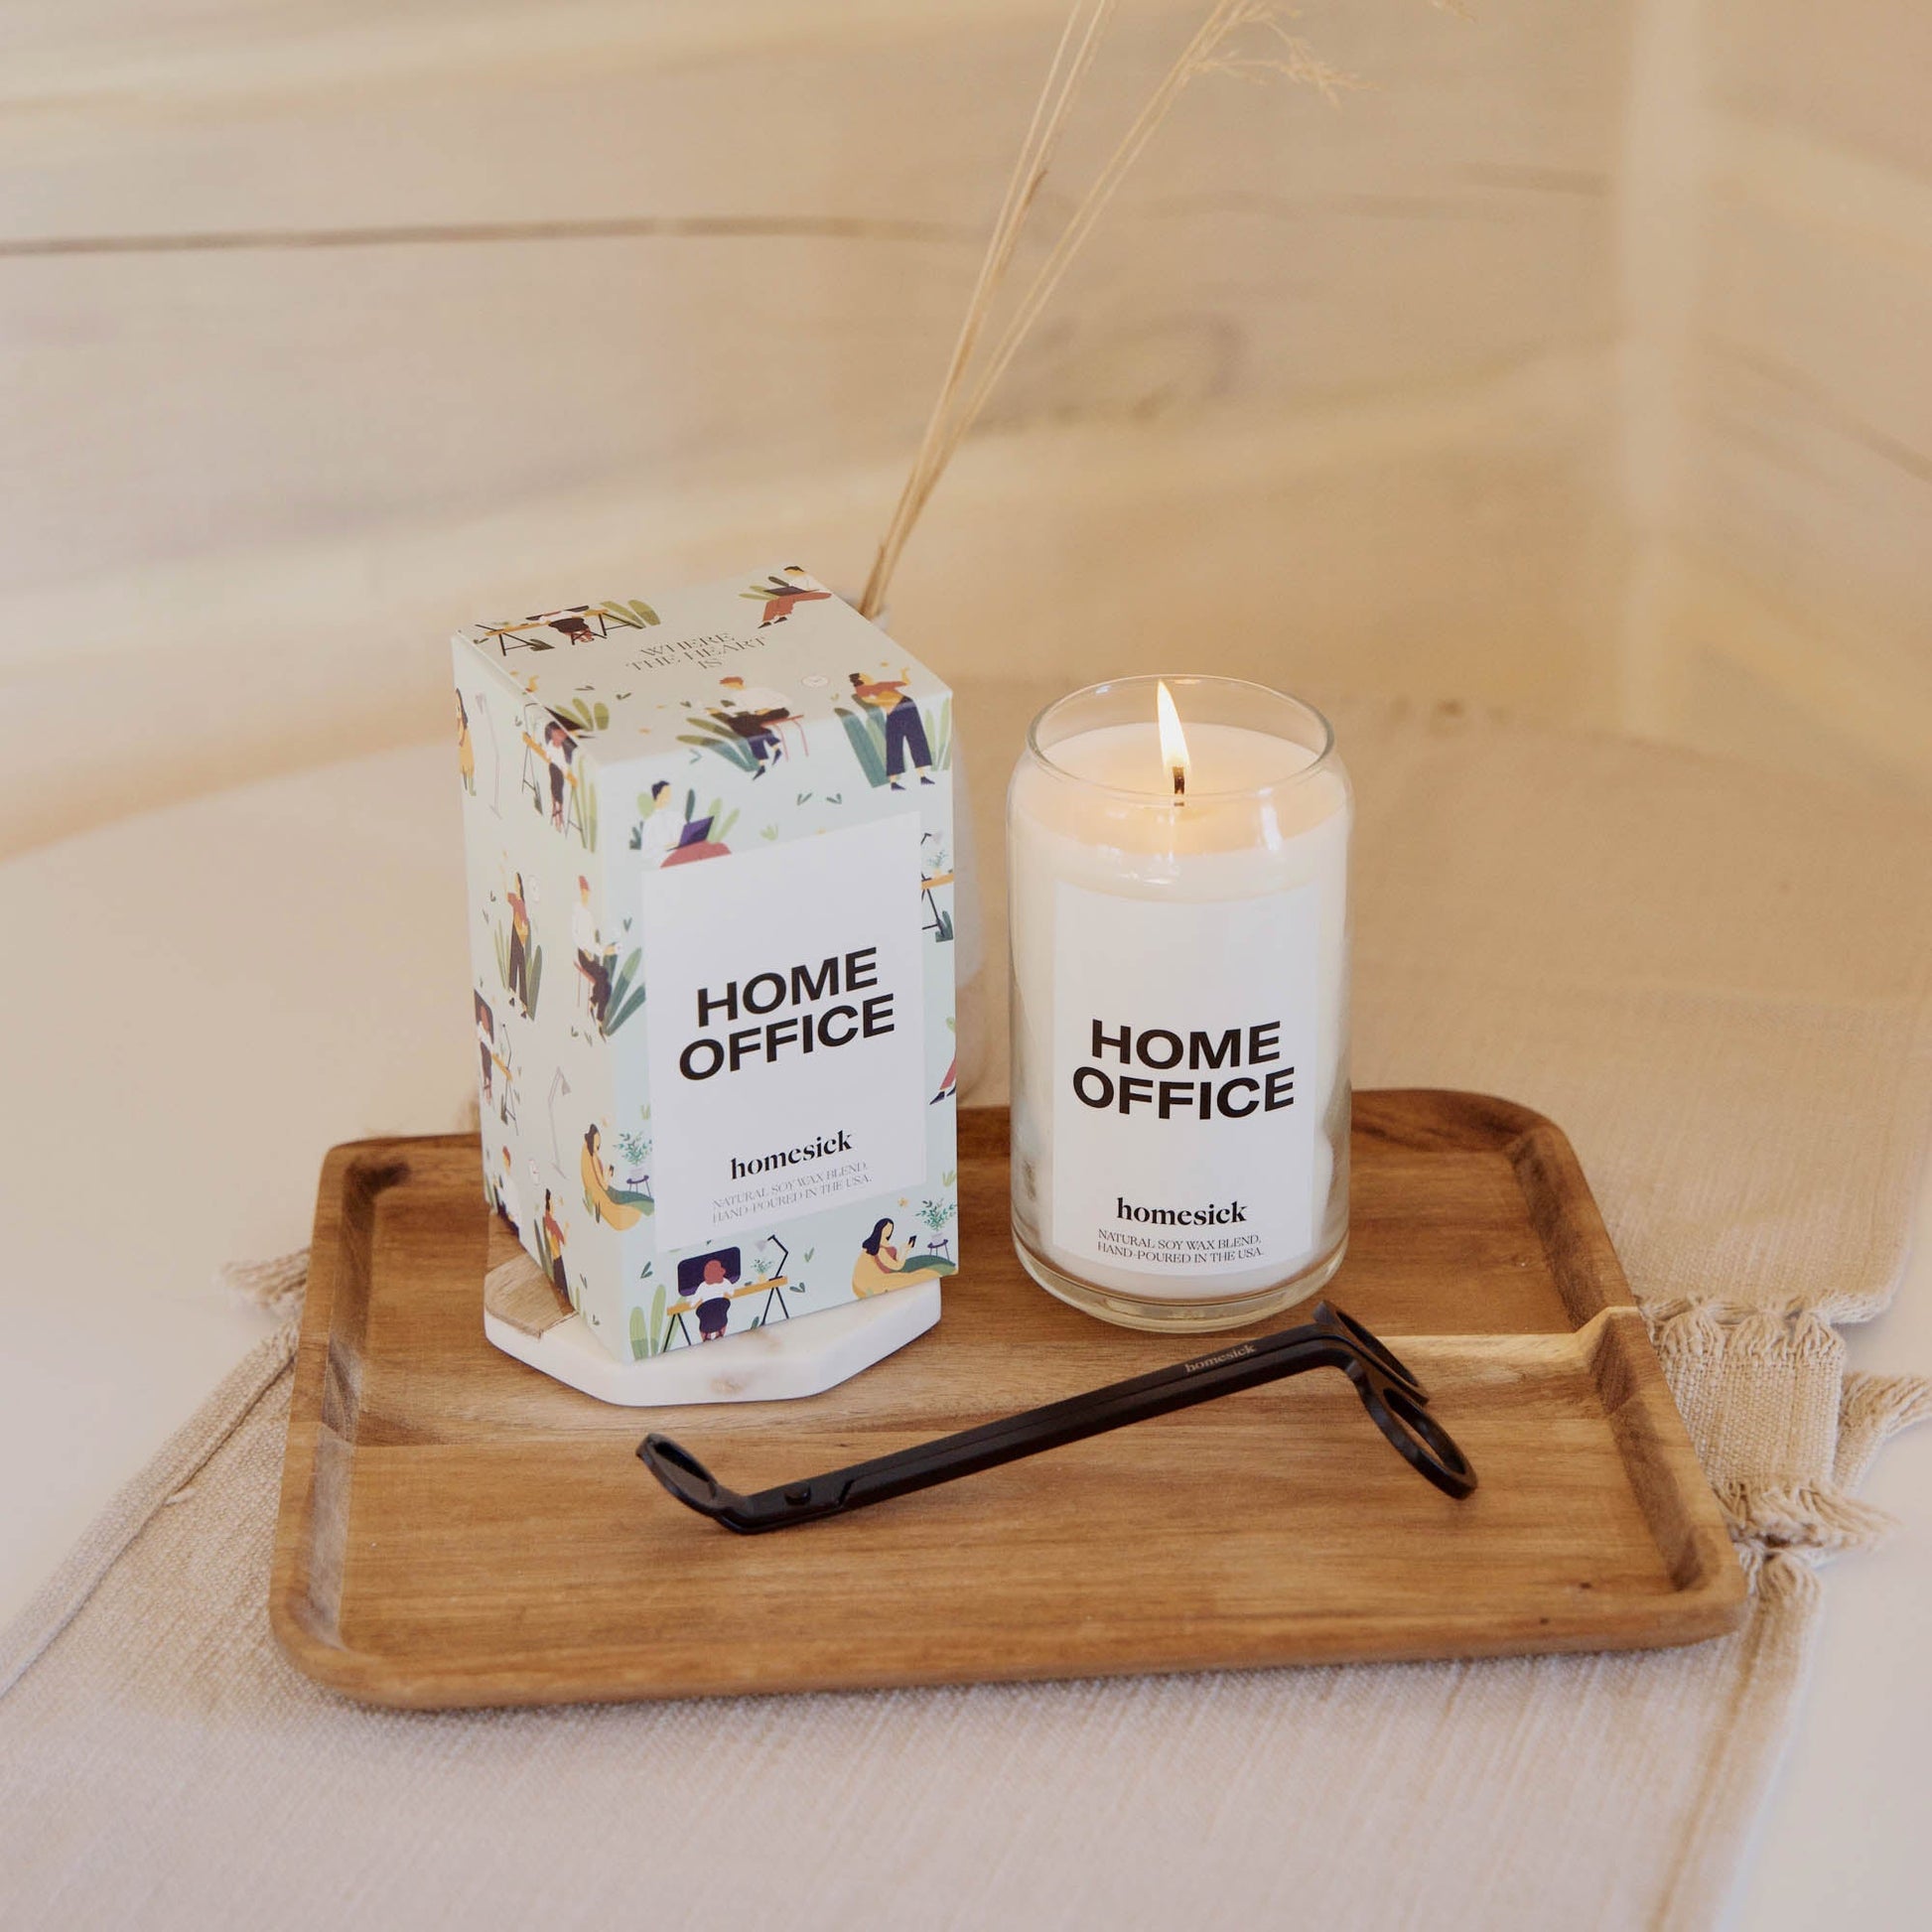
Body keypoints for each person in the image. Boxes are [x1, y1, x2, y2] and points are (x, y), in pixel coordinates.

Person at [847, 670, 935, 789]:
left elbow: (905, 682)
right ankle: (893, 782)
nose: (868, 675)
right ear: (860, 679)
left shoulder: (881, 685)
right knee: (894, 744)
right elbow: (869, 700)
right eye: (864, 675)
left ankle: (922, 776)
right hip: (894, 711)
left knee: (917, 740)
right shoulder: (862, 689)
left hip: (907, 706)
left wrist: (904, 672)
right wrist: (889, 700)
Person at [710, 673, 794, 775]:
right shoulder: (736, 695)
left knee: (749, 726)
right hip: (758, 714)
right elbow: (741, 708)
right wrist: (720, 710)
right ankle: (771, 750)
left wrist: (768, 708)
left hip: (777, 711)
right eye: (727, 686)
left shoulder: (760, 690)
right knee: (734, 722)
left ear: (736, 682)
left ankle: (763, 760)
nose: (728, 687)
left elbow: (786, 700)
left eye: (729, 685)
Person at [851, 1217, 956, 1298]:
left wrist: (903, 1249)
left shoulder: (884, 1243)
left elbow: (895, 1259)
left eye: (891, 1229)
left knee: (920, 1267)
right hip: (880, 1276)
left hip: (888, 1269)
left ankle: (948, 1267)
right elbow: (896, 1266)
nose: (889, 1231)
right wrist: (906, 1251)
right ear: (880, 1229)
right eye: (887, 1229)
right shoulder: (880, 1248)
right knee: (913, 1277)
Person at [581, 1123, 651, 1230]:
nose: (598, 1146)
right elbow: (604, 1185)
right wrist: (608, 1175)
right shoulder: (594, 1157)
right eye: (596, 1143)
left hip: (609, 1190)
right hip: (608, 1192)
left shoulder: (594, 1157)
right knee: (634, 1199)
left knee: (634, 1197)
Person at [571, 877, 615, 1027]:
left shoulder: (589, 915)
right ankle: (599, 1018)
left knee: (607, 984)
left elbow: (592, 943)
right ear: (582, 891)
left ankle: (593, 1004)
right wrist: (584, 950)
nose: (587, 894)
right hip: (583, 955)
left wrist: (604, 951)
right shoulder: (577, 910)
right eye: (585, 891)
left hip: (590, 953)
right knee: (603, 978)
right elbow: (575, 935)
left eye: (587, 892)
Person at [633, 779, 679, 866]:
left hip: (682, 855)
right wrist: (667, 847)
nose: (669, 796)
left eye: (669, 794)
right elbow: (646, 853)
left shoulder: (676, 816)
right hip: (664, 862)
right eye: (666, 794)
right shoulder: (650, 823)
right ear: (658, 796)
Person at [506, 873, 532, 1013]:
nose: (515, 885)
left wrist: (523, 936)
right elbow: (505, 894)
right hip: (514, 931)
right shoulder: (516, 900)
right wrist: (503, 870)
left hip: (518, 933)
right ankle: (512, 996)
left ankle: (524, 1006)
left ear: (520, 885)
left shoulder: (521, 903)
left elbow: (525, 924)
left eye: (516, 883)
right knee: (513, 963)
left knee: (520, 966)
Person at [540, 1191, 571, 1309]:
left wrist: (566, 1228)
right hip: (558, 1261)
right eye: (551, 1203)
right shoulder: (549, 1222)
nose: (553, 1205)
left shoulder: (552, 1223)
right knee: (563, 1291)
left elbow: (563, 1241)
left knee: (563, 1291)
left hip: (558, 1260)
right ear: (548, 1204)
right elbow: (554, 1239)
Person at [541, 720, 574, 829]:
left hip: (558, 770)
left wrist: (564, 771)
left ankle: (558, 812)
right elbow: (548, 755)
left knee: (557, 789)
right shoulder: (552, 745)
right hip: (554, 768)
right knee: (554, 787)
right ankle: (556, 810)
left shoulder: (561, 749)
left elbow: (562, 763)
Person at [456, 690, 476, 793]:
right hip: (462, 740)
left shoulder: (460, 718)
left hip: (464, 739)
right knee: (464, 764)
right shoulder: (458, 718)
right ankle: (468, 789)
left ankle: (470, 789)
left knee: (468, 764)